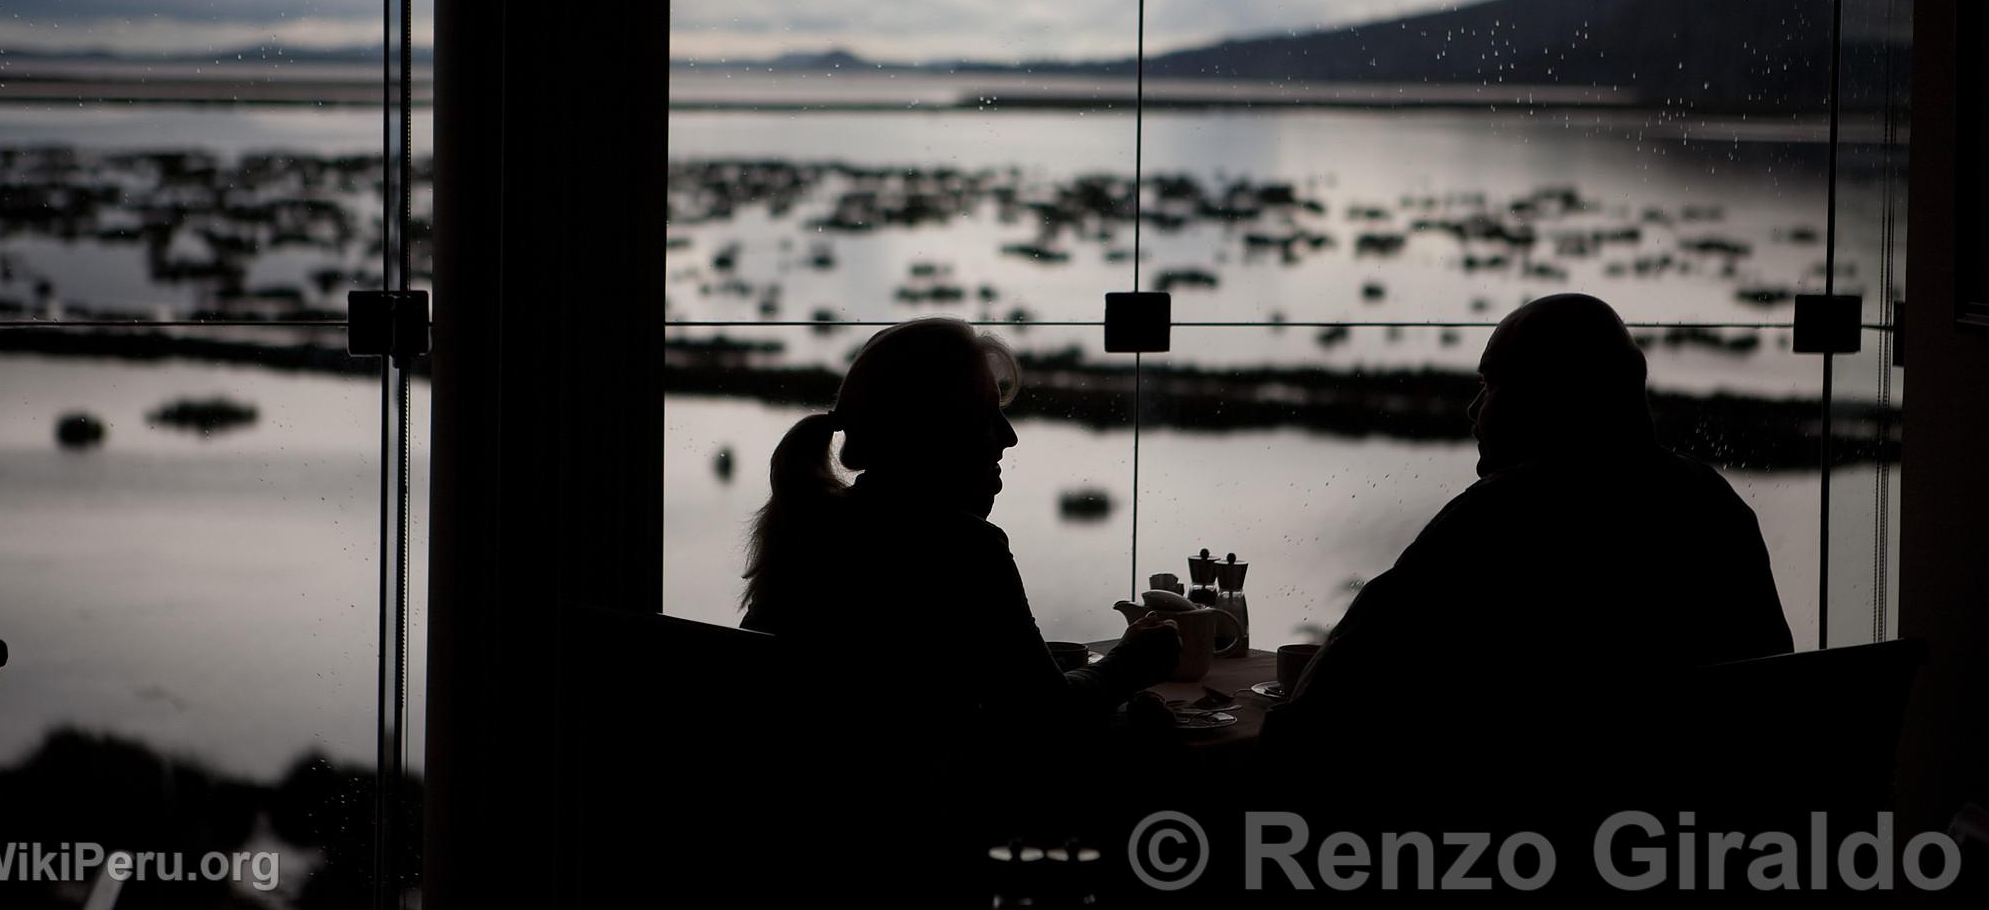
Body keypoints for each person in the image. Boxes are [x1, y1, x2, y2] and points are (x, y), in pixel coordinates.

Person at [1260, 293, 1793, 835]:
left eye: (1491, 385)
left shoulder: (1499, 517)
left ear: (1550, 396)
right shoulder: (1714, 506)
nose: (1474, 410)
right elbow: (1771, 695)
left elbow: (1320, 714)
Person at [738, 318, 1180, 885]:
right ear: (934, 431)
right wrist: (1130, 662)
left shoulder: (812, 532)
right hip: (932, 856)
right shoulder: (964, 549)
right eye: (987, 416)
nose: (1009, 437)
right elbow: (1049, 721)